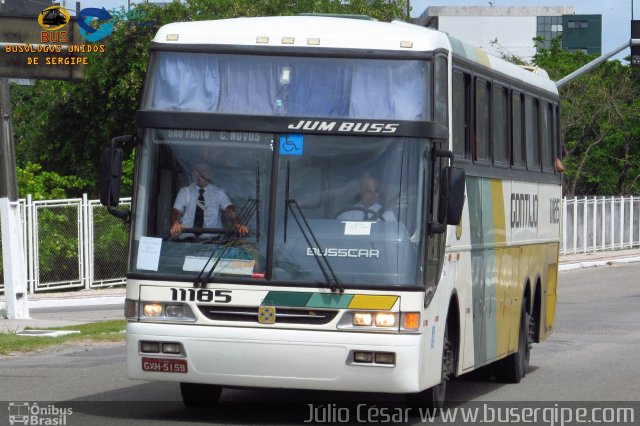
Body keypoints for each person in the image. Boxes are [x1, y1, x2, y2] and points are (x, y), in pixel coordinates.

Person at [170, 163, 249, 239]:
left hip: (213, 244)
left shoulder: (219, 193)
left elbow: (229, 211)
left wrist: (237, 225)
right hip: (185, 243)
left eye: (204, 170)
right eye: (197, 170)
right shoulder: (185, 191)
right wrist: (175, 223)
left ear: (211, 174)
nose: (200, 174)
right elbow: (176, 211)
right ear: (193, 174)